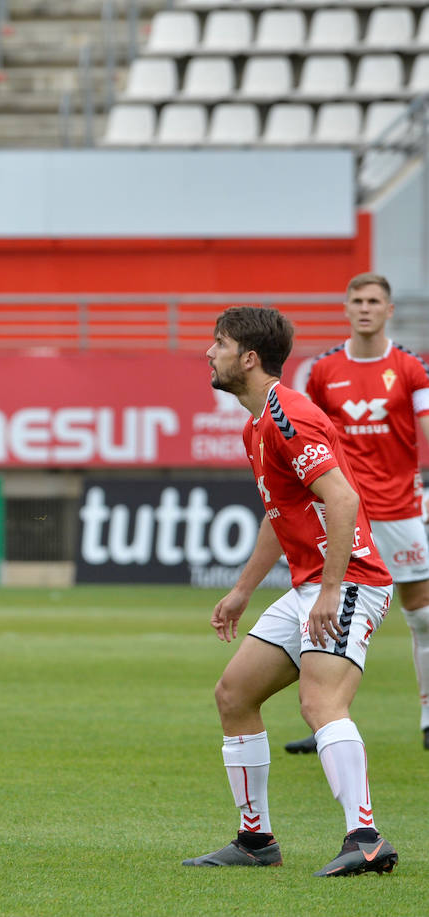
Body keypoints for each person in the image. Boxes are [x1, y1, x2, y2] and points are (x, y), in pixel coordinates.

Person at [183, 306, 397, 876]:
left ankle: (366, 838)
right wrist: (241, 590)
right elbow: (282, 515)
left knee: (320, 702)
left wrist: (330, 590)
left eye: (219, 343)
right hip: (310, 584)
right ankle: (257, 842)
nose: (210, 352)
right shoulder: (256, 425)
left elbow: (344, 499)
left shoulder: (288, 418)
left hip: (349, 579)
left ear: (248, 358)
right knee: (234, 695)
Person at [285, 272, 429, 754]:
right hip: (348, 513)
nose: (365, 307)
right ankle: (328, 718)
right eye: (357, 300)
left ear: (389, 310)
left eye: (374, 301)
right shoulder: (322, 370)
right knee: (333, 616)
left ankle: (428, 717)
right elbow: (311, 435)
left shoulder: (410, 366)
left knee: (422, 618)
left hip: (403, 510)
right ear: (346, 308)